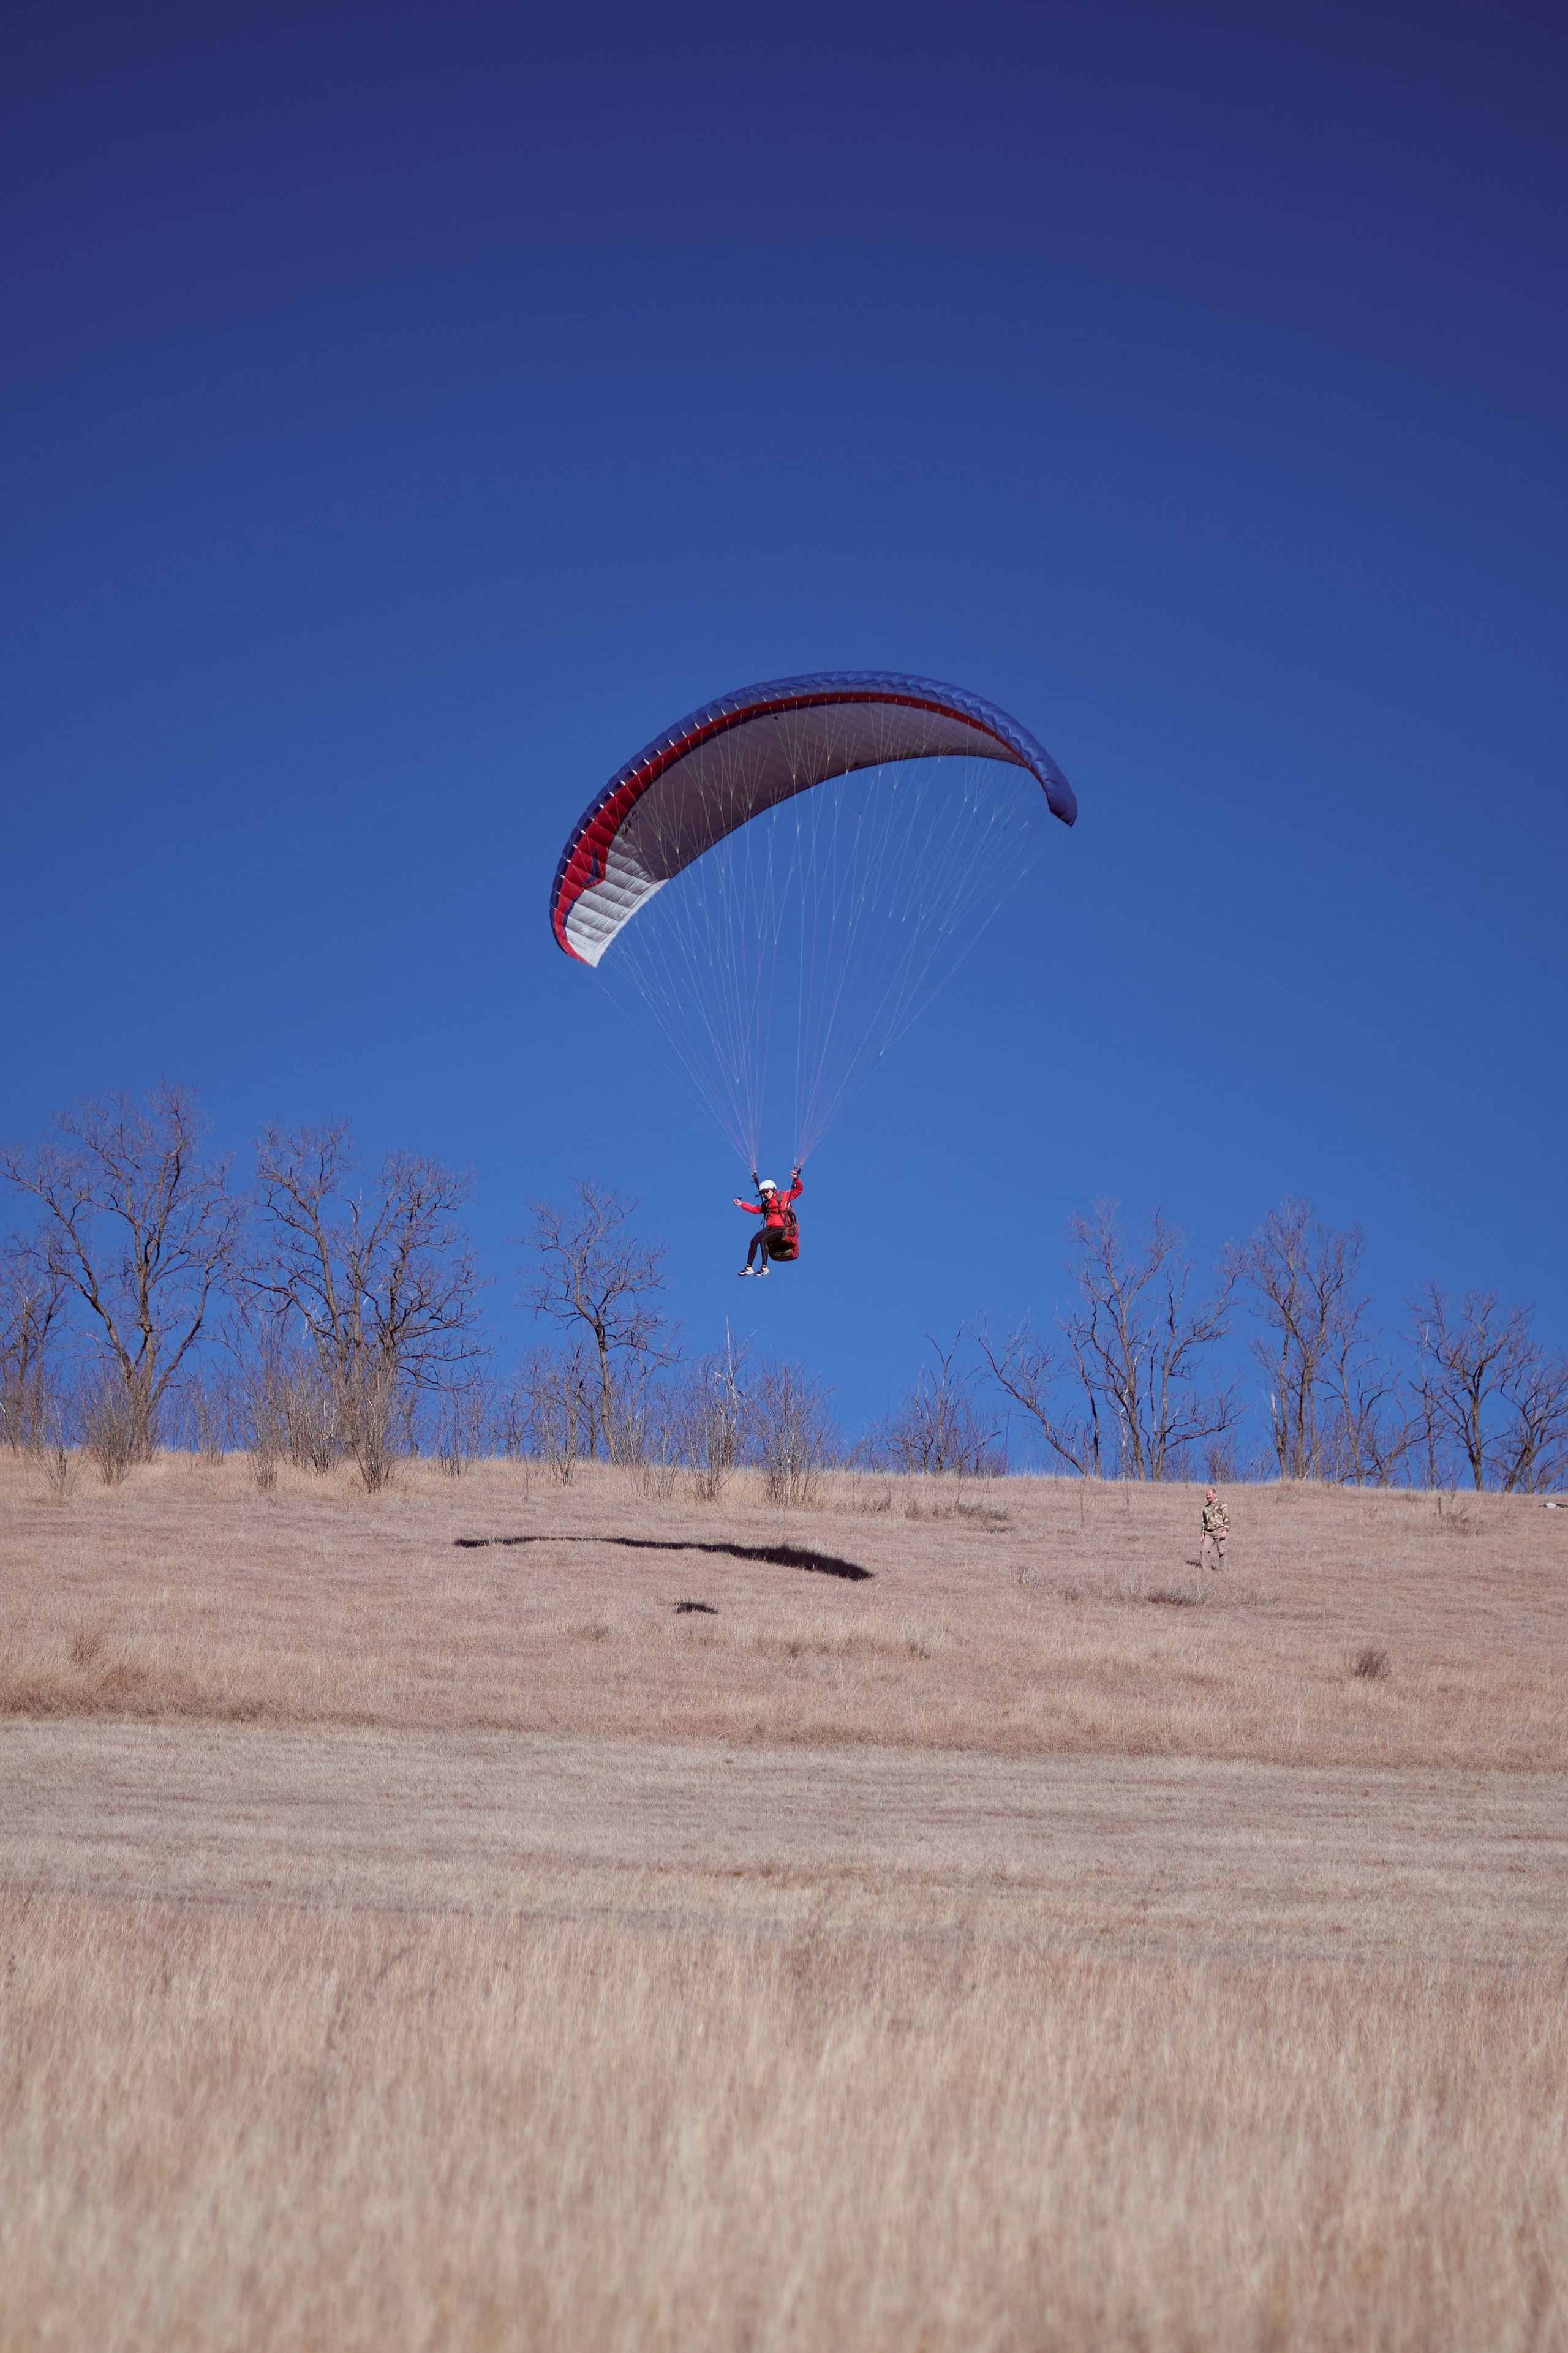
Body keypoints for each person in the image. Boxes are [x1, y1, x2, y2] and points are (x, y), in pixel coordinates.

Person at [735, 1166, 802, 1276]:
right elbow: (755, 1210)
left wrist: (796, 1179)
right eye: (764, 1193)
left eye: (767, 1191)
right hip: (770, 1228)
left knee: (764, 1240)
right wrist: (741, 1204)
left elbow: (798, 1190)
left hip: (782, 1229)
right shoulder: (766, 1204)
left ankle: (764, 1267)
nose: (766, 1194)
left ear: (773, 1189)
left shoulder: (784, 1196)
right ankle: (749, 1267)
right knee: (754, 1241)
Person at [1200, 1485, 1229, 1572]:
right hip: (1209, 1533)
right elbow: (1204, 1522)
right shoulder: (1206, 1508)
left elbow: (1226, 1518)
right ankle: (1207, 1571)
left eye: (1209, 1494)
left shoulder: (1221, 1505)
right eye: (1207, 1495)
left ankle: (1224, 1572)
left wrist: (1225, 1530)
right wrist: (1203, 1534)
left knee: (1222, 1552)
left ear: (1215, 1495)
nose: (1208, 1496)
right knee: (1204, 1550)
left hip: (1219, 1531)